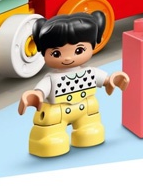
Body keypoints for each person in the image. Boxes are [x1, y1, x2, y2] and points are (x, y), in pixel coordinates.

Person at [18, 11, 129, 157]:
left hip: (86, 108)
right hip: (56, 112)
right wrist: (36, 95)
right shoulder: (51, 78)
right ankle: (48, 140)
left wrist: (112, 80)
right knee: (50, 137)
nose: (68, 58)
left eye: (79, 50)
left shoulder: (90, 72)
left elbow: (105, 80)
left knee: (90, 128)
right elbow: (41, 91)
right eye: (56, 54)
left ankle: (88, 131)